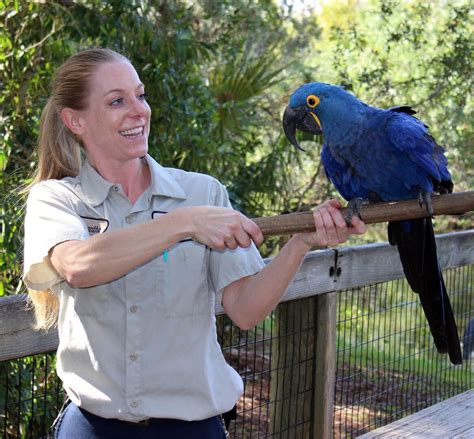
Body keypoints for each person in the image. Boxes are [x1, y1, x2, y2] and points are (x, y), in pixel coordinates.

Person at [23, 48, 366, 439]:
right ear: (75, 121)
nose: (139, 111)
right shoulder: (57, 198)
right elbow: (78, 267)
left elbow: (246, 309)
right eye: (117, 101)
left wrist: (301, 242)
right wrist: (183, 223)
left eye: (141, 95)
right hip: (92, 427)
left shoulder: (202, 192)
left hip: (193, 428)